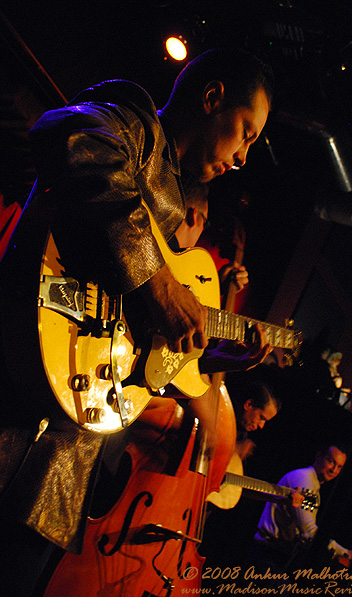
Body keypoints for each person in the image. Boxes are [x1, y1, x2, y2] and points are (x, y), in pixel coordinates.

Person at [0, 47, 273, 595]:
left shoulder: (167, 197)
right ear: (212, 97)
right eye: (244, 132)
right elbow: (69, 136)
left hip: (69, 442)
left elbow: (132, 331)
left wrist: (208, 353)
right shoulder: (132, 123)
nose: (241, 157)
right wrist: (159, 281)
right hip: (21, 412)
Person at [250, 443, 352, 573]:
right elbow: (308, 531)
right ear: (318, 457)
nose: (334, 470)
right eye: (330, 462)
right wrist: (345, 553)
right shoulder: (304, 480)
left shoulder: (312, 484)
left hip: (274, 554)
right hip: (268, 555)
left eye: (339, 467)